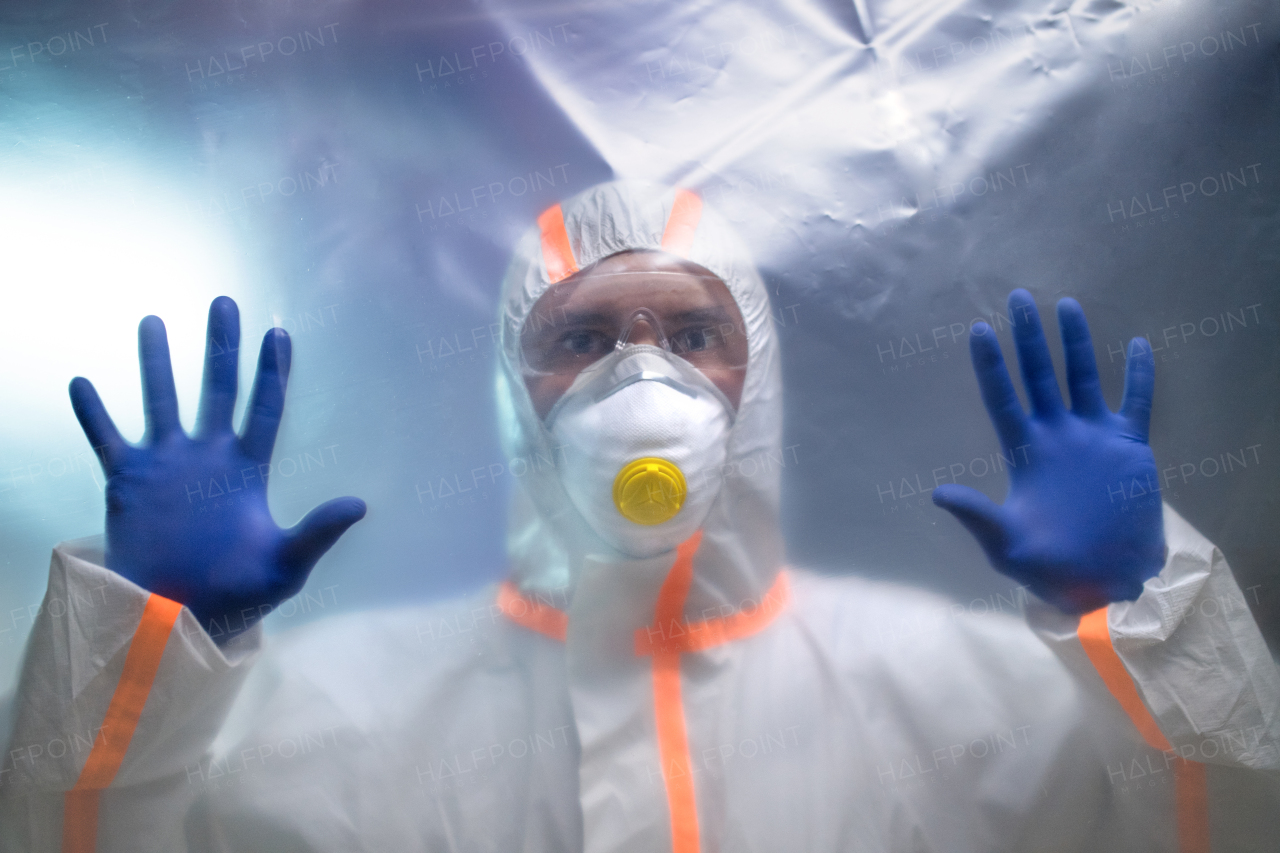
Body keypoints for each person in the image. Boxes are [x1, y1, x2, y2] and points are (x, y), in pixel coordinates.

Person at [1, 181, 1276, 852]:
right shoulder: (326, 712)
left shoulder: (962, 696)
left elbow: (1228, 831)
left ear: (754, 374)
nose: (641, 374)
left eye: (691, 333)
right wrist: (153, 649)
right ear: (517, 385)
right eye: (584, 337)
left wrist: (1141, 621)